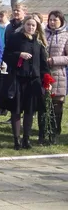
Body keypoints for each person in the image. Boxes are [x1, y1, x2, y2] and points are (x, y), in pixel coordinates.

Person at [3, 14, 49, 150]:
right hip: (18, 78)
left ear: (37, 27)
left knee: (29, 111)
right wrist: (19, 55)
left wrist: (46, 79)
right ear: (24, 25)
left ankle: (26, 139)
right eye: (28, 24)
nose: (30, 27)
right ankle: (16, 139)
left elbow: (43, 63)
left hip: (33, 80)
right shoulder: (15, 38)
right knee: (16, 110)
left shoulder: (38, 42)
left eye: (33, 25)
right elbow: (6, 55)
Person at [43, 10, 68, 139]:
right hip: (44, 72)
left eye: (55, 20)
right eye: (50, 20)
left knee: (57, 103)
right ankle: (45, 128)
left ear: (61, 21)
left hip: (58, 73)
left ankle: (55, 129)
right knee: (45, 103)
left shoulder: (66, 36)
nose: (52, 22)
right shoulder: (43, 34)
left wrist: (53, 60)